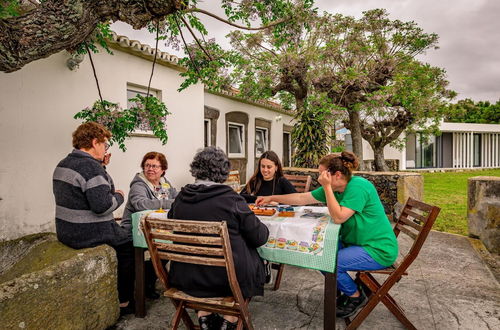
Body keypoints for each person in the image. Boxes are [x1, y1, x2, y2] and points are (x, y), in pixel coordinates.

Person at [256, 151, 398, 318]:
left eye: (322, 174)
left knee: (328, 260)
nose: (319, 178)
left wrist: (327, 187)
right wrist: (271, 197)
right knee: (321, 250)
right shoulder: (335, 188)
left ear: (336, 175)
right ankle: (344, 287)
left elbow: (338, 217)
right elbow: (302, 198)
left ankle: (355, 296)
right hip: (357, 243)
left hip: (378, 249)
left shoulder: (358, 186)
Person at [168, 146, 269, 330]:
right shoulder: (231, 199)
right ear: (223, 171)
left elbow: (171, 220)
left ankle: (204, 315)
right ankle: (229, 319)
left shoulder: (182, 197)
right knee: (251, 254)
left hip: (186, 276)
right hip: (225, 280)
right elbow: (259, 237)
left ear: (196, 169)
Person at [52, 122, 135, 315]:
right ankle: (124, 301)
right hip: (87, 232)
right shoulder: (90, 168)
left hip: (66, 231)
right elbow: (103, 206)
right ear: (95, 142)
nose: (106, 149)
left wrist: (102, 167)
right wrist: (120, 196)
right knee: (128, 245)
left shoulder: (64, 163)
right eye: (105, 145)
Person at [121, 151, 177, 299]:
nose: (150, 169)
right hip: (135, 231)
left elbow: (176, 197)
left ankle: (149, 281)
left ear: (163, 169)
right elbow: (141, 204)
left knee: (169, 250)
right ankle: (144, 284)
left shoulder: (164, 182)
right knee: (163, 248)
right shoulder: (138, 184)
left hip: (157, 229)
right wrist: (168, 202)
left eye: (154, 166)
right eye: (147, 165)